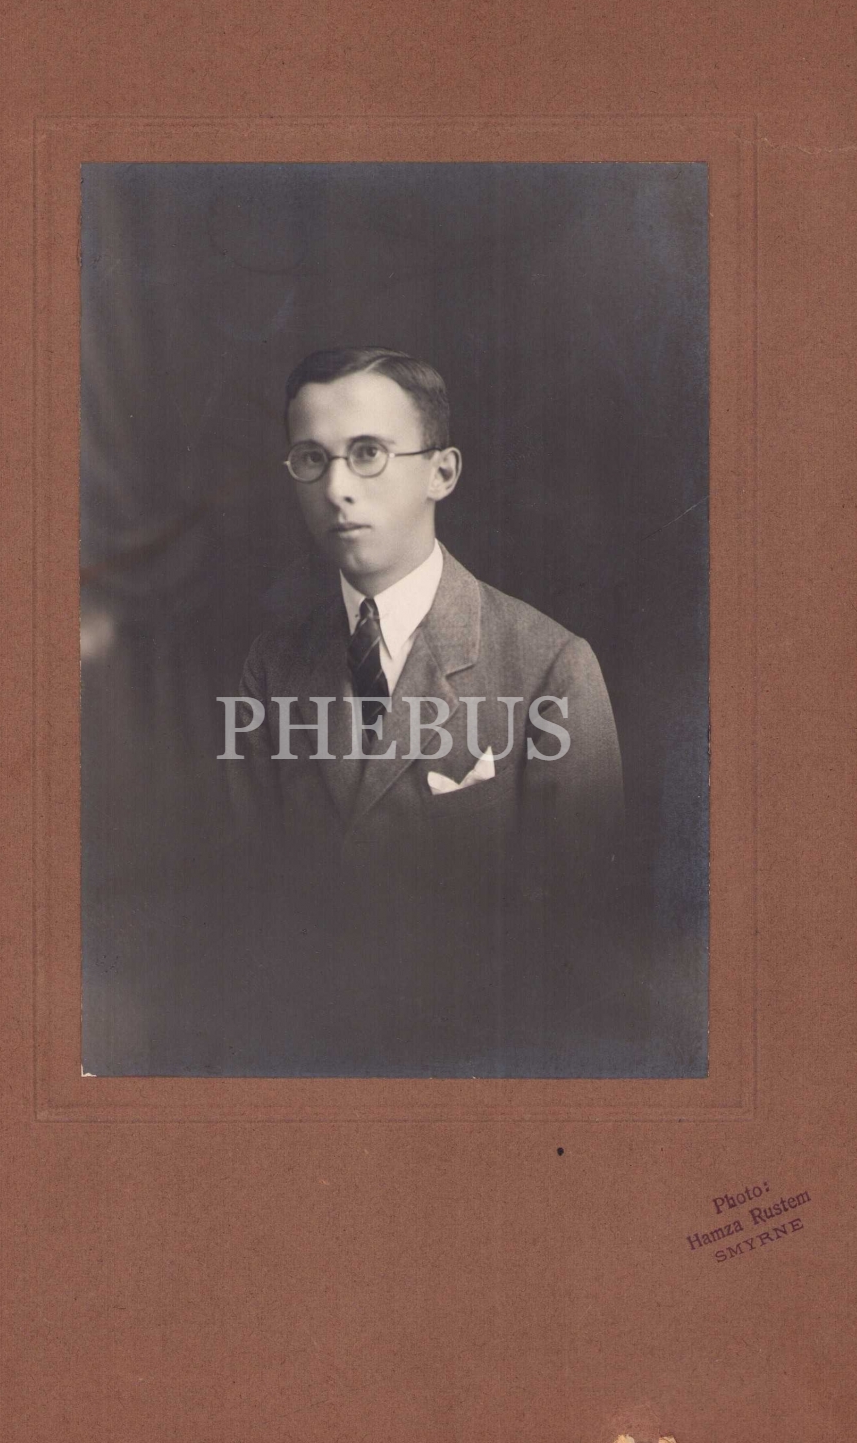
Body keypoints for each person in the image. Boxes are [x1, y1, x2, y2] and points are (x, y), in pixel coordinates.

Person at [221, 347, 626, 1076]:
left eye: (367, 454)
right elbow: (248, 898)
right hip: (302, 1060)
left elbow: (579, 933)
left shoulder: (550, 666)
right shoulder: (271, 666)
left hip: (483, 1064)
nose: (337, 488)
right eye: (311, 459)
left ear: (442, 471)